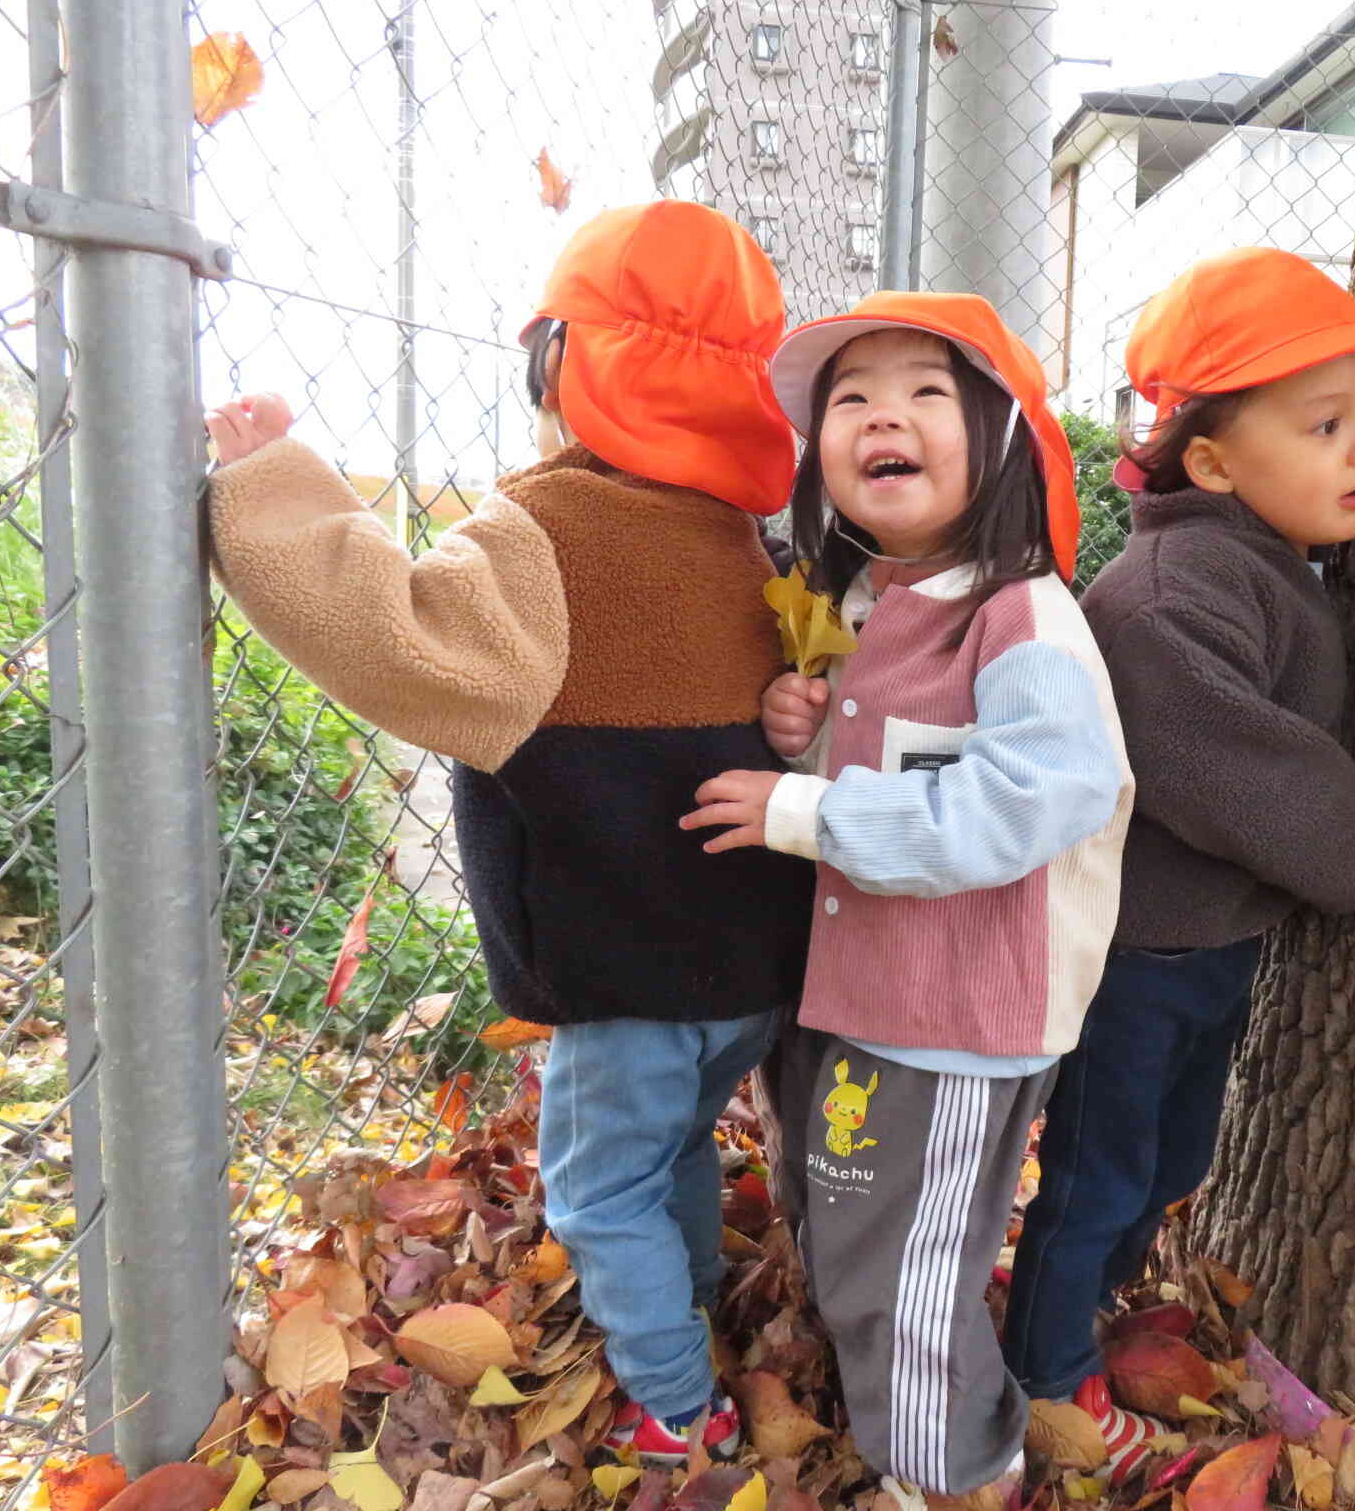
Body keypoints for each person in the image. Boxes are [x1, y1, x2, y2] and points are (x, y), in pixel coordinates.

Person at [203, 201, 814, 1463]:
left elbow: (396, 631)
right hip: (749, 968)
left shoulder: (554, 537)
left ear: (566, 368)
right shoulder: (740, 540)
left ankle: (671, 1404)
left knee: (598, 1188)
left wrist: (274, 484)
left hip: (622, 968)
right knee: (679, 1142)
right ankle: (687, 1302)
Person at [678, 291, 1133, 1511]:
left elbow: (1036, 793)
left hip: (952, 1018)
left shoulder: (1020, 615)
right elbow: (901, 762)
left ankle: (957, 1472)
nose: (884, 414)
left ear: (1000, 444)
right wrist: (811, 735)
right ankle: (913, 1431)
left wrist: (806, 809)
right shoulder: (870, 602)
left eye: (927, 392)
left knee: (910, 1271)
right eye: (851, 400)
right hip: (862, 996)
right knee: (852, 1236)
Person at [1000, 248, 1355, 1483]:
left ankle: (1097, 1314)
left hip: (1203, 946)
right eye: (1323, 423)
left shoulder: (1261, 563)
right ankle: (1041, 1378)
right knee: (1097, 1163)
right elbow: (1229, 761)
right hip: (1135, 954)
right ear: (1214, 461)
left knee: (1171, 1157)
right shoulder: (1173, 590)